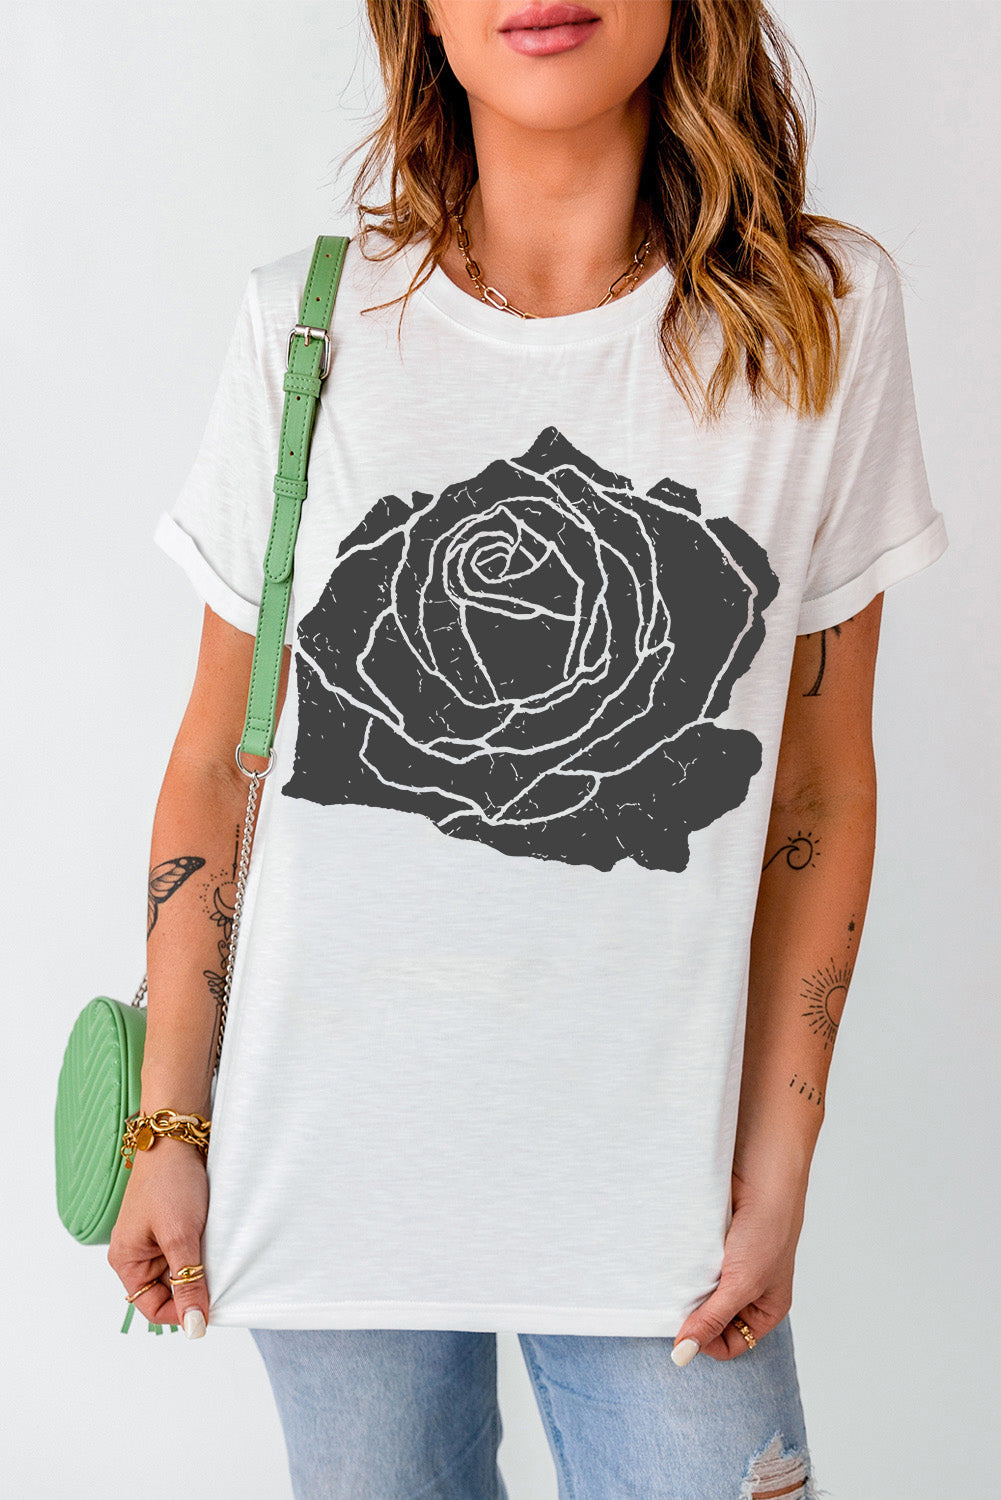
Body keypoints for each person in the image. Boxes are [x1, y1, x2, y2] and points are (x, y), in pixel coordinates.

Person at [108, 1, 949, 1496]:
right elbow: (218, 765)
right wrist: (165, 1125)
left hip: (662, 1212)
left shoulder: (814, 318)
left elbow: (819, 784)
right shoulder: (308, 323)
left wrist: (776, 1171)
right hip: (326, 1184)